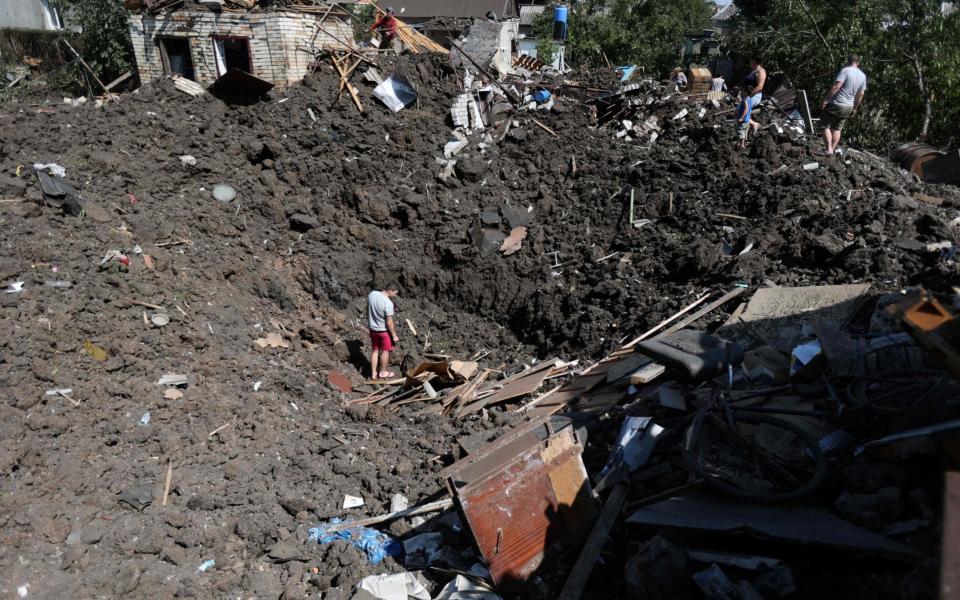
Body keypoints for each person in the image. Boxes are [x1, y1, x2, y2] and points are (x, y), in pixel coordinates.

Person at [820, 54, 867, 155]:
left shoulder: (845, 71)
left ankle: (829, 149)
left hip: (837, 103)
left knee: (825, 125)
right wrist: (855, 108)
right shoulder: (863, 76)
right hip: (849, 106)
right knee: (837, 128)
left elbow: (837, 86)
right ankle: (831, 150)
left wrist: (826, 99)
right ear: (858, 63)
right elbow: (861, 94)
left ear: (848, 62)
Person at [367, 285, 400, 380]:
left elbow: (367, 309)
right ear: (390, 291)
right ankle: (382, 372)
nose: (395, 295)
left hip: (372, 329)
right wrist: (394, 335)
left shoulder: (372, 294)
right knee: (385, 351)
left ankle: (373, 373)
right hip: (383, 331)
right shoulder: (388, 303)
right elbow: (389, 322)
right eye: (395, 293)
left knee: (375, 350)